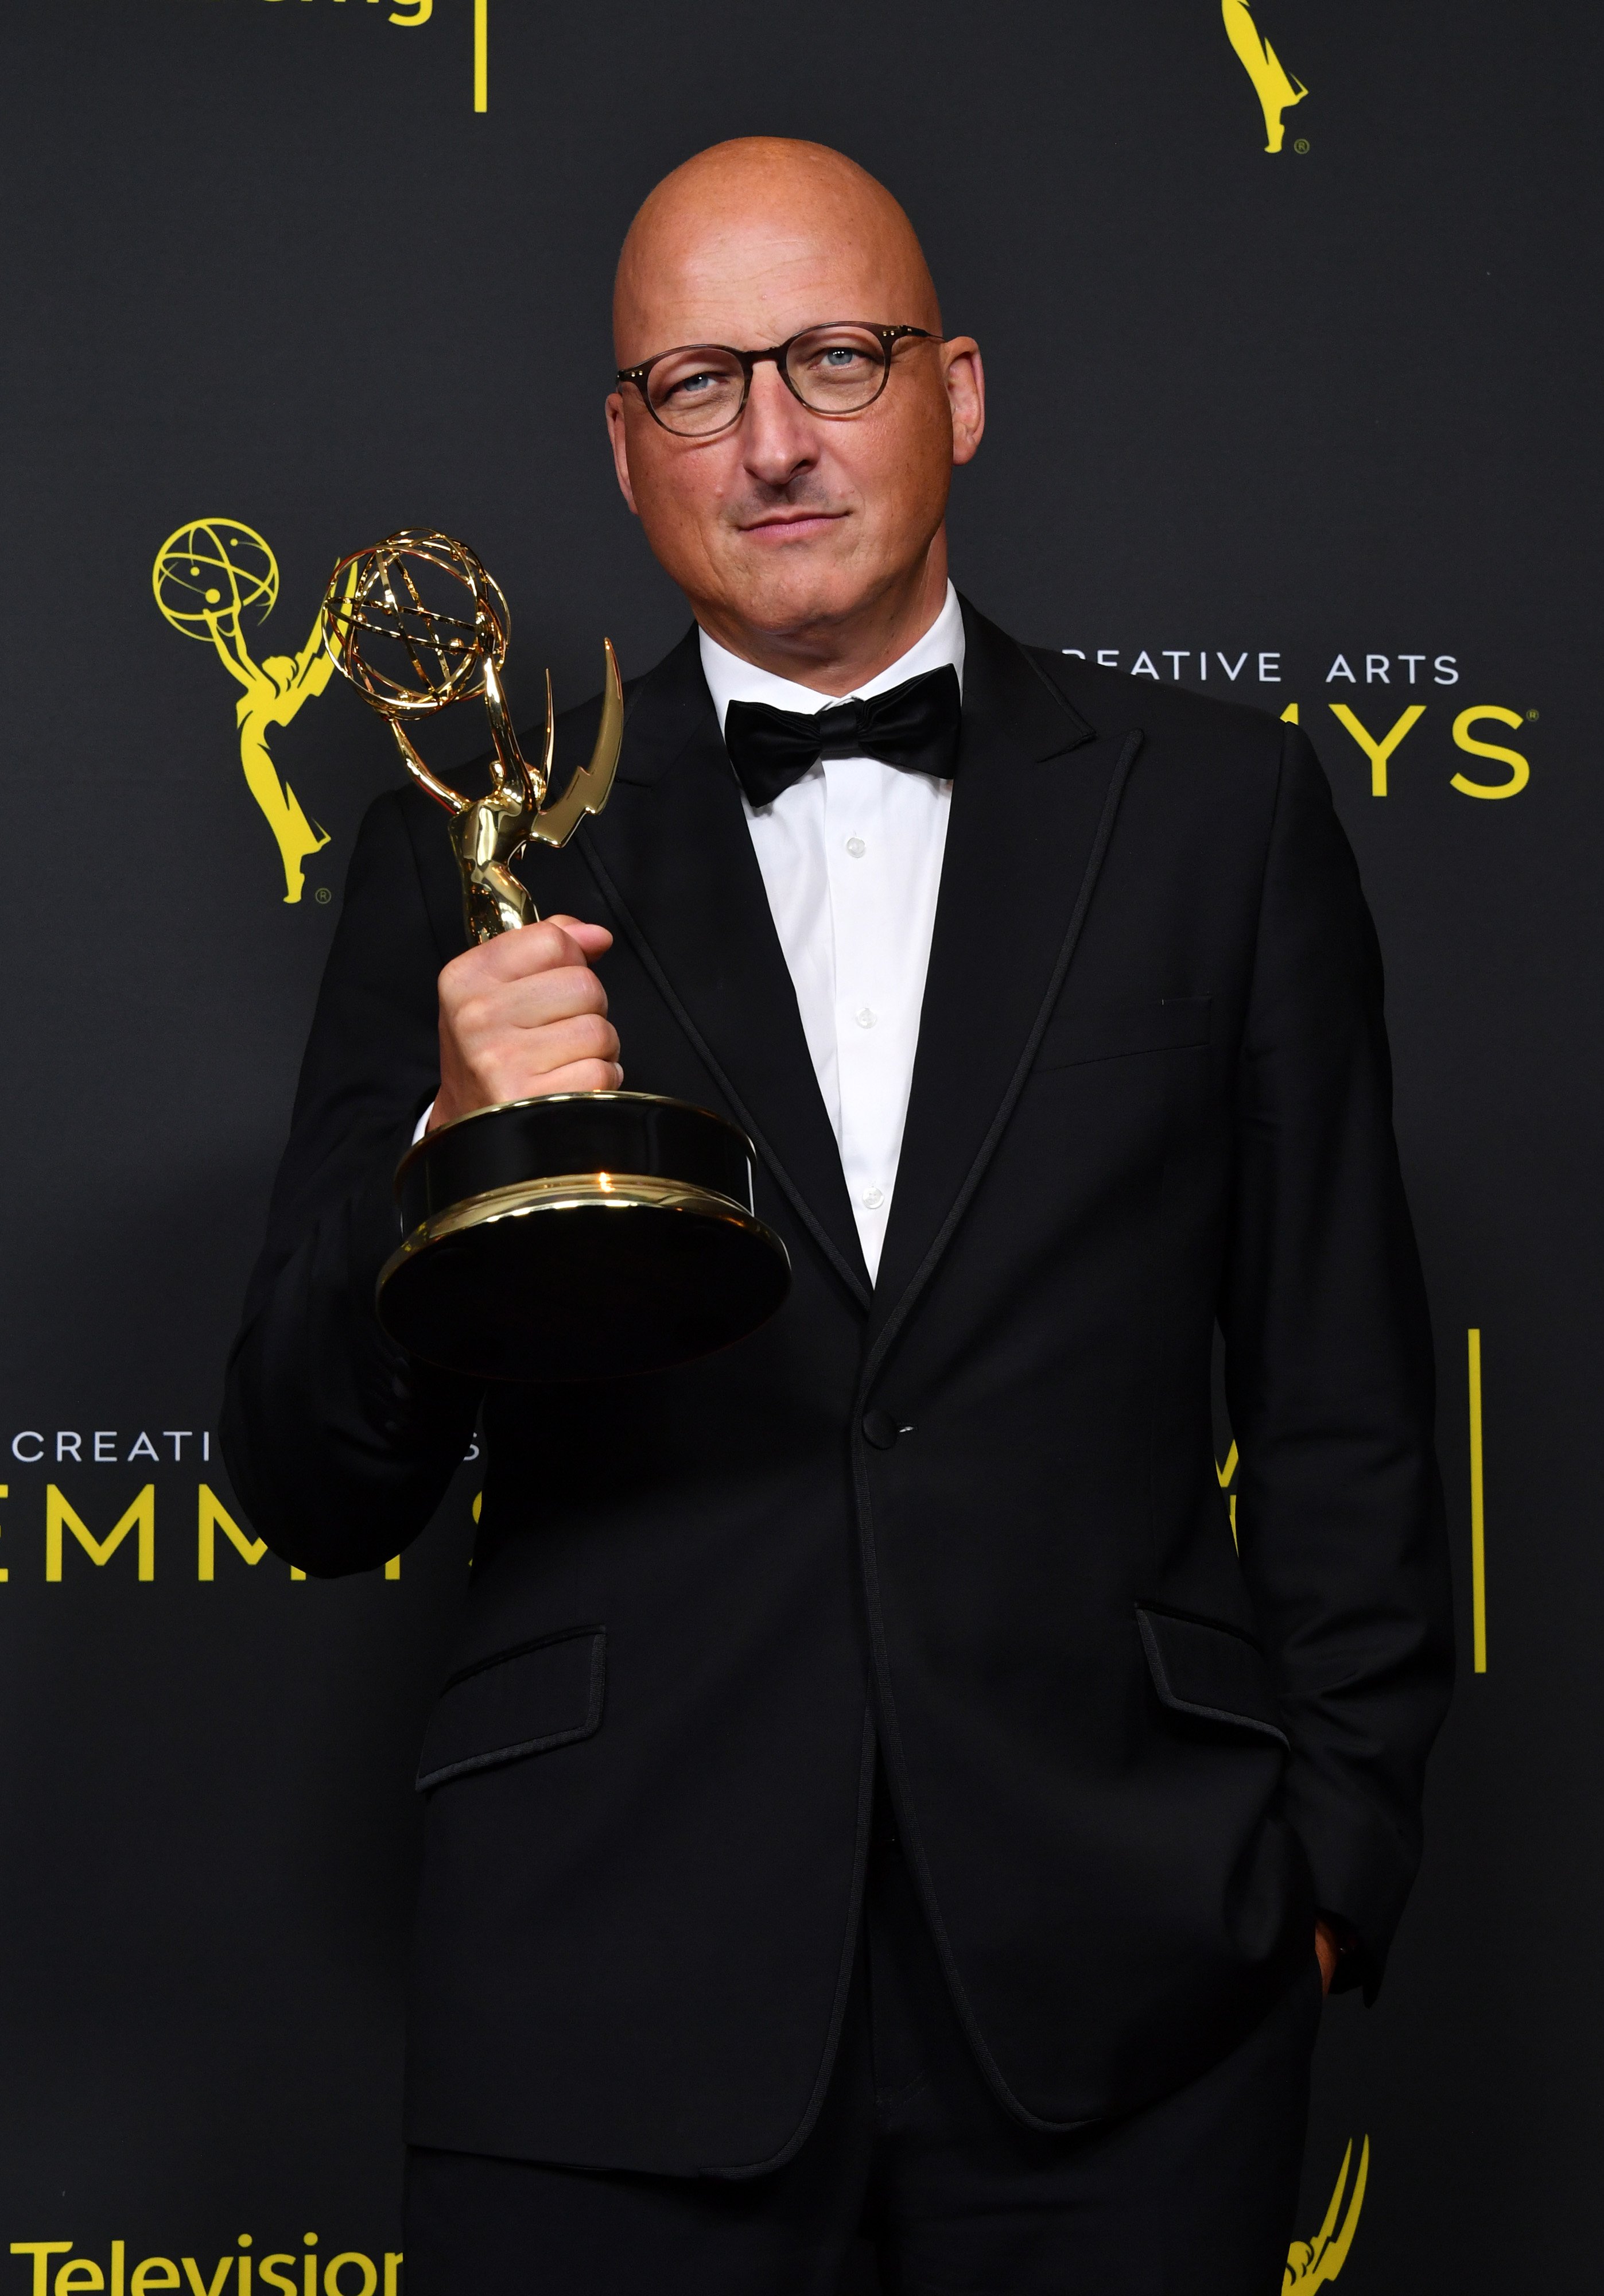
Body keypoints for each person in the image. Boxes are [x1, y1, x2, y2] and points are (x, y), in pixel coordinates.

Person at [223, 138, 1452, 2294]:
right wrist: (443, 1147)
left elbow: (1347, 1400)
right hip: (598, 1991)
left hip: (1131, 1996)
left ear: (955, 392)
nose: (774, 439)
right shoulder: (455, 845)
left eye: (836, 359)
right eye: (698, 384)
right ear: (624, 450)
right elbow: (311, 1480)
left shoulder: (1218, 814)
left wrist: (1324, 1868)